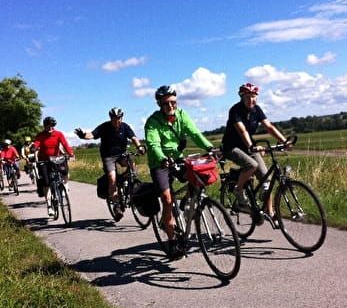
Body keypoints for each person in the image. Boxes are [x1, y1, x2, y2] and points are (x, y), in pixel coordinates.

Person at [145, 85, 215, 260]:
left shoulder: (182, 115)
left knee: (197, 178)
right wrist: (162, 158)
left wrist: (210, 147)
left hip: (177, 159)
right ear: (159, 104)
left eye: (173, 102)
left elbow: (194, 133)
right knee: (168, 200)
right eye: (166, 103)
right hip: (159, 163)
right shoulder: (153, 121)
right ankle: (172, 240)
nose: (171, 106)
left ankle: (185, 204)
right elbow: (153, 145)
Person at [221, 82, 292, 228]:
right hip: (231, 147)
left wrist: (284, 141)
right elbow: (242, 131)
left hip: (248, 147)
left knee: (266, 180)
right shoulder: (235, 110)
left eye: (254, 96)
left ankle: (271, 213)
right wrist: (252, 146)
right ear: (242, 97)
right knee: (251, 165)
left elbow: (269, 127)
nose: (251, 100)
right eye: (248, 97)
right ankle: (238, 190)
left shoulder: (256, 110)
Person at [74, 107, 146, 222]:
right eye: (114, 118)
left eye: (118, 118)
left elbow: (133, 137)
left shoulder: (125, 127)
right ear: (110, 118)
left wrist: (139, 147)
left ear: (122, 118)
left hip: (121, 154)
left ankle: (126, 181)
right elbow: (92, 135)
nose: (116, 120)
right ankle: (116, 206)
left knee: (132, 165)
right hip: (108, 156)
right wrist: (83, 135)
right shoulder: (104, 127)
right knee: (112, 178)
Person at [34, 116, 74, 217]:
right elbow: (37, 143)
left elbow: (65, 144)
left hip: (56, 159)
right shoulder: (41, 135)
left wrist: (70, 154)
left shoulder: (59, 134)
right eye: (48, 125)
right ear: (44, 126)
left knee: (64, 171)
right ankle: (49, 206)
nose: (50, 127)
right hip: (44, 160)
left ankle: (65, 185)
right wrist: (33, 148)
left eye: (52, 125)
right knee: (46, 183)